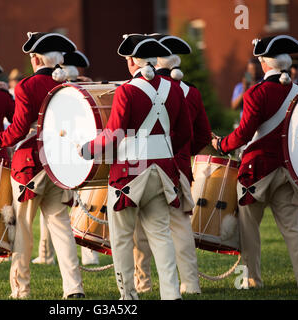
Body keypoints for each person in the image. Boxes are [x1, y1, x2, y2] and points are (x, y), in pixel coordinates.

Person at [80, 34, 192, 300]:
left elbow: (114, 134)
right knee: (161, 235)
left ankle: (128, 296)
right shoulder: (174, 88)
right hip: (164, 172)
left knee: (121, 239)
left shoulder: (127, 90)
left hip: (129, 175)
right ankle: (171, 294)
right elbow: (184, 133)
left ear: (131, 61)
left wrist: (87, 149)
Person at [0, 32, 85, 299]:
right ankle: (74, 289)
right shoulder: (71, 86)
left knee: (22, 232)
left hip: (30, 166)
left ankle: (21, 290)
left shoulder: (27, 86)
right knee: (62, 229)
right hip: (59, 166)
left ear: (36, 58)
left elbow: (16, 131)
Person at [212, 35, 298, 290]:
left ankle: (251, 280)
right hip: (287, 168)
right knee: (294, 228)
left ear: (265, 64)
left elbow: (244, 135)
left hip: (256, 172)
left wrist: (220, 144)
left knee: (249, 229)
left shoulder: (256, 93)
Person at [130, 34, 212, 295]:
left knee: (140, 229)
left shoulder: (137, 87)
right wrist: (180, 153)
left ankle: (142, 284)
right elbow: (201, 135)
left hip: (141, 167)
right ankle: (190, 283)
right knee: (180, 225)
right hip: (177, 167)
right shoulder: (190, 91)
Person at [33, 50, 98, 266]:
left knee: (56, 210)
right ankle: (89, 253)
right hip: (78, 152)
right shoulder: (83, 90)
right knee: (81, 205)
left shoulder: (61, 91)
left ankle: (46, 254)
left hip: (63, 153)